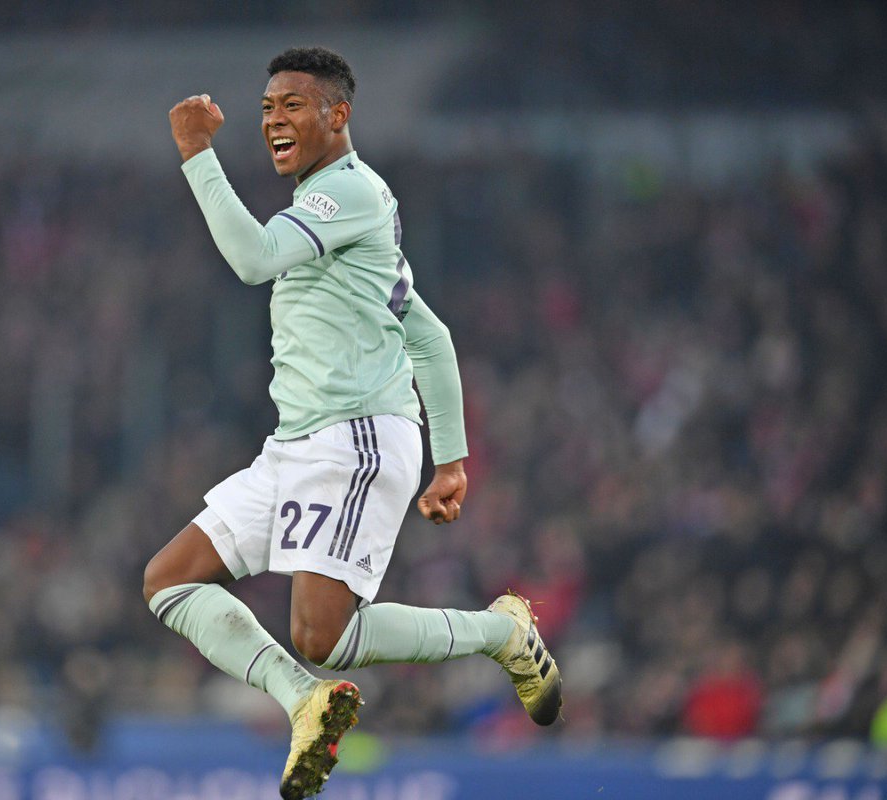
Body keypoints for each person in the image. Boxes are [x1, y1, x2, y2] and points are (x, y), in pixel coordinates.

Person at [146, 46, 562, 799]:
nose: (274, 120)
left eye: (293, 105)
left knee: (322, 634)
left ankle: (502, 632)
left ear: (337, 115)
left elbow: (252, 258)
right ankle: (303, 700)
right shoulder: (340, 218)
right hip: (297, 443)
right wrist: (451, 461)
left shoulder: (348, 192)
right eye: (267, 108)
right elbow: (428, 334)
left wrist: (196, 153)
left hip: (356, 434)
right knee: (170, 581)